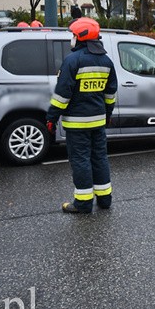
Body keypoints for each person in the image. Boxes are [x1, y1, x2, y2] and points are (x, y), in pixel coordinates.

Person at [46, 17, 118, 214]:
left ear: (80, 37)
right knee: (99, 158)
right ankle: (105, 199)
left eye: (73, 35)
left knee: (80, 160)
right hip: (98, 121)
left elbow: (62, 95)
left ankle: (83, 203)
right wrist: (107, 115)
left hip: (77, 124)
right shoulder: (106, 61)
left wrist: (51, 118)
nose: (72, 39)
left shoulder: (72, 61)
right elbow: (110, 94)